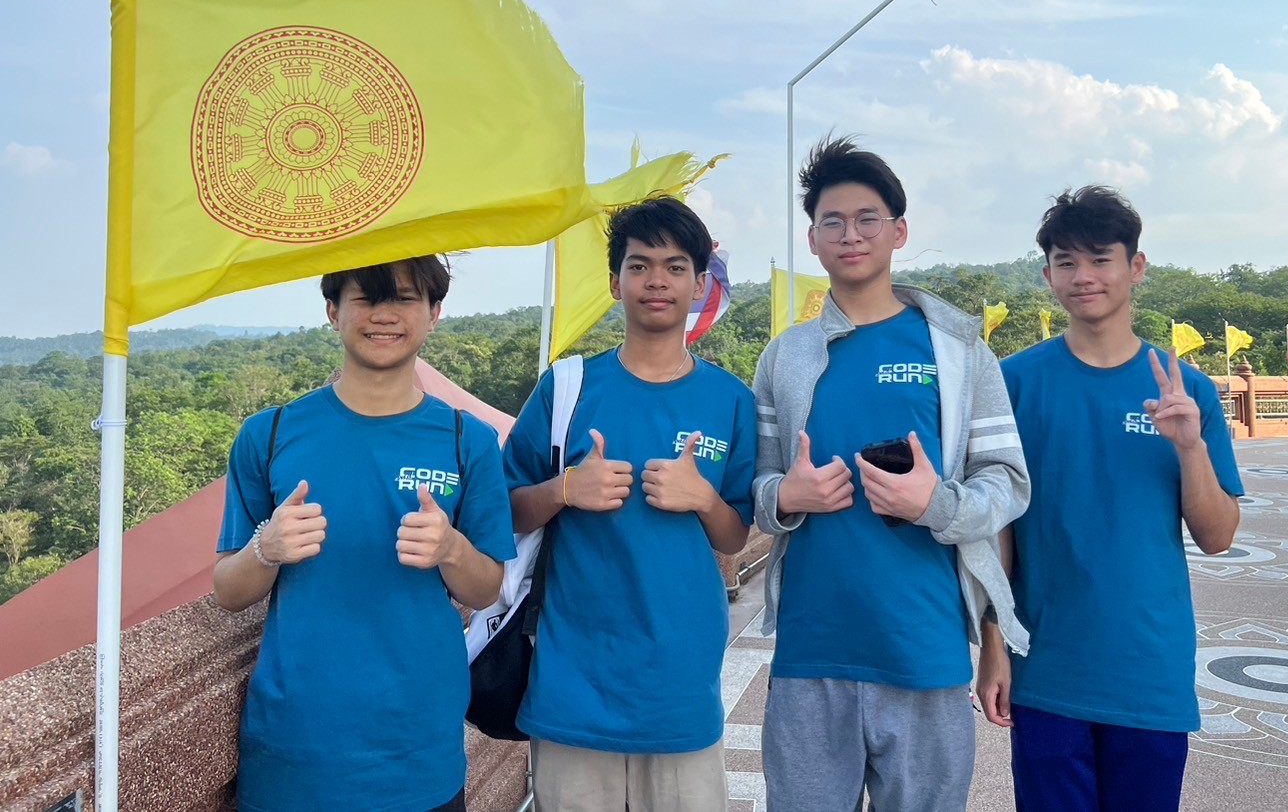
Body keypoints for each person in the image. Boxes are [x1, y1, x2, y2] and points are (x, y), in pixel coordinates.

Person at [753, 135, 1030, 812]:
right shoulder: (784, 357)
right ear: (813, 240)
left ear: (898, 231)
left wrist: (935, 502)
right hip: (810, 652)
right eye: (833, 222)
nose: (850, 235)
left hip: (925, 650)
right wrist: (787, 495)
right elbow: (754, 492)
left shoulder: (958, 352)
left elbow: (1007, 482)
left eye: (867, 219)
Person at [213, 255, 515, 812]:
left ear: (434, 313)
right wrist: (266, 548)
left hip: (418, 747)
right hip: (294, 750)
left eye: (404, 298)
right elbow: (228, 591)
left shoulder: (466, 440)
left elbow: (486, 588)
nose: (384, 315)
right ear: (333, 311)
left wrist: (451, 547)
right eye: (366, 298)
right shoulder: (269, 433)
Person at [978, 185, 1243, 812]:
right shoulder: (1013, 382)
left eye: (1101, 259)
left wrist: (1189, 447)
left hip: (1148, 665)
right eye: (1066, 262)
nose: (1084, 276)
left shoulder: (1186, 391)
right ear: (1047, 275)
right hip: (1046, 665)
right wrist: (992, 646)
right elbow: (997, 529)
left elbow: (1218, 535)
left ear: (1136, 266)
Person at [503, 197, 757, 812]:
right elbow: (504, 511)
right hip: (573, 681)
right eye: (639, 265)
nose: (656, 281)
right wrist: (565, 490)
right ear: (615, 282)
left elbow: (734, 536)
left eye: (675, 267)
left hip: (681, 683)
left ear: (701, 284)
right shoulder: (568, 388)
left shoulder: (730, 400)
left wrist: (702, 498)